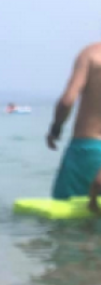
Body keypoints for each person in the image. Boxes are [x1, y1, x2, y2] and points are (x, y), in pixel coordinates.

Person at [48, 42, 101, 199]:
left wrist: (55, 129)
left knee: (66, 216)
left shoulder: (91, 54)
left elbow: (67, 101)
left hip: (86, 149)